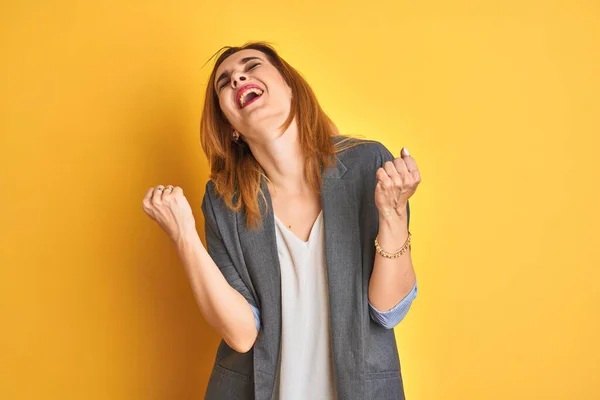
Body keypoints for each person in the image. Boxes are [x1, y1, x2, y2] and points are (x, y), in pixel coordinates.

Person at [142, 41, 421, 400]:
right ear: (231, 128)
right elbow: (241, 335)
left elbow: (386, 310)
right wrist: (183, 235)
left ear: (291, 86)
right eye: (224, 83)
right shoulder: (224, 200)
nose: (237, 78)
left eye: (251, 66)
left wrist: (393, 212)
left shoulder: (368, 165)